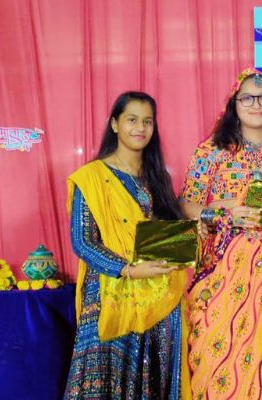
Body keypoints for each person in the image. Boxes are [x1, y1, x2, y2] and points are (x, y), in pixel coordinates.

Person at [179, 68, 262, 399]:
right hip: (223, 269)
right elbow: (187, 204)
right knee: (215, 354)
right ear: (234, 104)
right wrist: (223, 212)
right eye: (247, 98)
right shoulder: (212, 150)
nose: (256, 105)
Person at [64, 91, 189, 399]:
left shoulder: (157, 177)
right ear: (115, 124)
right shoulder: (92, 177)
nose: (140, 128)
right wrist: (128, 270)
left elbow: (166, 235)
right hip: (110, 294)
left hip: (159, 296)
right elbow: (83, 242)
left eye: (148, 121)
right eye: (132, 120)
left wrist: (188, 237)